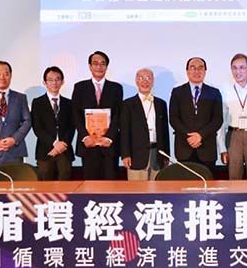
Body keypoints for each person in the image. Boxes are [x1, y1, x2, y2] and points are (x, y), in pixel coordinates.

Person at [71, 51, 124, 180]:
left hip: (109, 145)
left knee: (110, 185)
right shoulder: (80, 87)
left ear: (106, 66)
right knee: (90, 184)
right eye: (95, 63)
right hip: (88, 144)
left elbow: (118, 114)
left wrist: (109, 137)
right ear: (90, 66)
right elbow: (76, 115)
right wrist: (85, 136)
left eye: (102, 64)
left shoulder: (116, 88)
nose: (99, 67)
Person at [169, 57, 223, 175]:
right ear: (187, 71)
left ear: (205, 71)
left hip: (207, 148)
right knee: (185, 183)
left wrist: (200, 135)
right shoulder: (177, 92)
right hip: (184, 147)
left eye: (200, 68)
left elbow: (218, 119)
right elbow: (173, 118)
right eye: (193, 68)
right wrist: (190, 137)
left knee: (207, 182)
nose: (197, 71)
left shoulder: (214, 92)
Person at [120, 68, 170, 181]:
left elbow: (165, 131)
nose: (145, 81)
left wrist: (166, 155)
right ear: (136, 81)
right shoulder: (127, 104)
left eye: (148, 78)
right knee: (137, 189)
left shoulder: (161, 103)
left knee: (157, 188)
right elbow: (124, 132)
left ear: (153, 81)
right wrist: (125, 155)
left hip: (157, 154)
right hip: (136, 155)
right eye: (141, 78)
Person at [219, 53, 247, 180]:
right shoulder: (225, 91)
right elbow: (221, 122)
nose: (238, 71)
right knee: (234, 174)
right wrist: (222, 148)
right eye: (234, 68)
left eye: (242, 67)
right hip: (234, 135)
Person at [30, 66, 75, 181]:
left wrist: (61, 145)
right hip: (45, 151)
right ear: (45, 82)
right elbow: (37, 128)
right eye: (50, 80)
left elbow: (72, 127)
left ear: (62, 82)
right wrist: (54, 143)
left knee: (65, 185)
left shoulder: (69, 103)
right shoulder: (37, 103)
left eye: (57, 79)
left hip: (65, 151)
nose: (54, 83)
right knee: (46, 185)